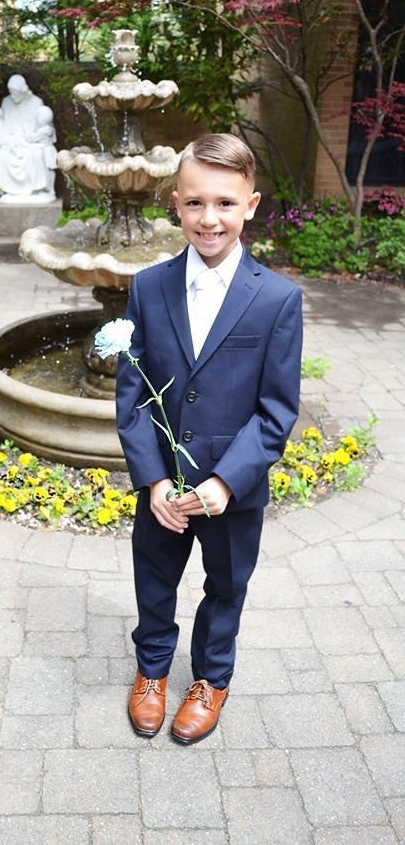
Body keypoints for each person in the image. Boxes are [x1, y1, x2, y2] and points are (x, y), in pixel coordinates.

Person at [116, 133, 303, 744]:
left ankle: (211, 680)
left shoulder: (277, 299)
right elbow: (132, 394)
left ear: (251, 205)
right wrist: (154, 479)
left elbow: (276, 409)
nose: (209, 218)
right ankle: (151, 671)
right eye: (195, 202)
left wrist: (227, 480)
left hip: (231, 492)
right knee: (154, 580)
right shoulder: (148, 287)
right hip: (165, 490)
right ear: (176, 203)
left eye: (225, 203)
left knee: (226, 587)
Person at [0, 75, 57, 201]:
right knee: (3, 154)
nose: (12, 96)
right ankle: (6, 190)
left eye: (15, 93)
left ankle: (37, 189)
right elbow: (4, 126)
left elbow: (44, 125)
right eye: (10, 92)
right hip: (13, 141)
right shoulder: (6, 102)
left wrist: (30, 138)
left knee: (36, 154)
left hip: (31, 142)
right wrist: (10, 139)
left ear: (23, 91)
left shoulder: (36, 102)